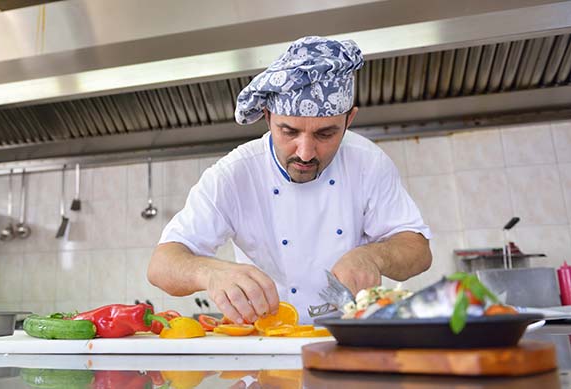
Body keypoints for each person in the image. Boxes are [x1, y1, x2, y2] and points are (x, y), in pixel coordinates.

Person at [147, 36, 432, 325]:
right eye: (289, 131)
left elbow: (418, 250)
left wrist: (374, 256)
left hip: (350, 339)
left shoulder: (368, 163)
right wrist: (209, 272)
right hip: (268, 341)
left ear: (349, 119)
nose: (306, 153)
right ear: (268, 117)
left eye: (325, 134)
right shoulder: (234, 174)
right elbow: (161, 265)